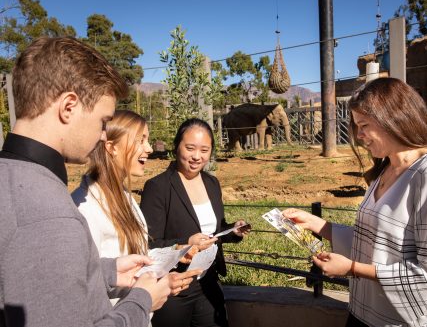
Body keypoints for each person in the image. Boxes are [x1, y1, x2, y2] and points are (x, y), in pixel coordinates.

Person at [0, 37, 182, 327]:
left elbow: (31, 280)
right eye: (102, 121)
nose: (101, 135)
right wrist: (141, 301)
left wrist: (105, 273)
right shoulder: (48, 214)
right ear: (69, 107)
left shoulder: (11, 177)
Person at [283, 78, 427, 327]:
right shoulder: (386, 168)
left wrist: (353, 269)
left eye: (364, 125)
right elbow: (372, 240)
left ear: (394, 118)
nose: (359, 136)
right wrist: (316, 223)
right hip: (362, 314)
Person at [71, 110, 199, 307]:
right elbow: (84, 281)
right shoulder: (85, 207)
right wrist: (144, 297)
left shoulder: (125, 198)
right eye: (140, 140)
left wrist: (174, 253)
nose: (148, 148)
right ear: (111, 147)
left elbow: (131, 259)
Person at [140, 118, 250, 327]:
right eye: (190, 148)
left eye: (204, 150)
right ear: (176, 146)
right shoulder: (158, 187)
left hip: (208, 283)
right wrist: (186, 243)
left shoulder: (212, 183)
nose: (197, 157)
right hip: (174, 287)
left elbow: (213, 232)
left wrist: (233, 230)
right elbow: (148, 244)